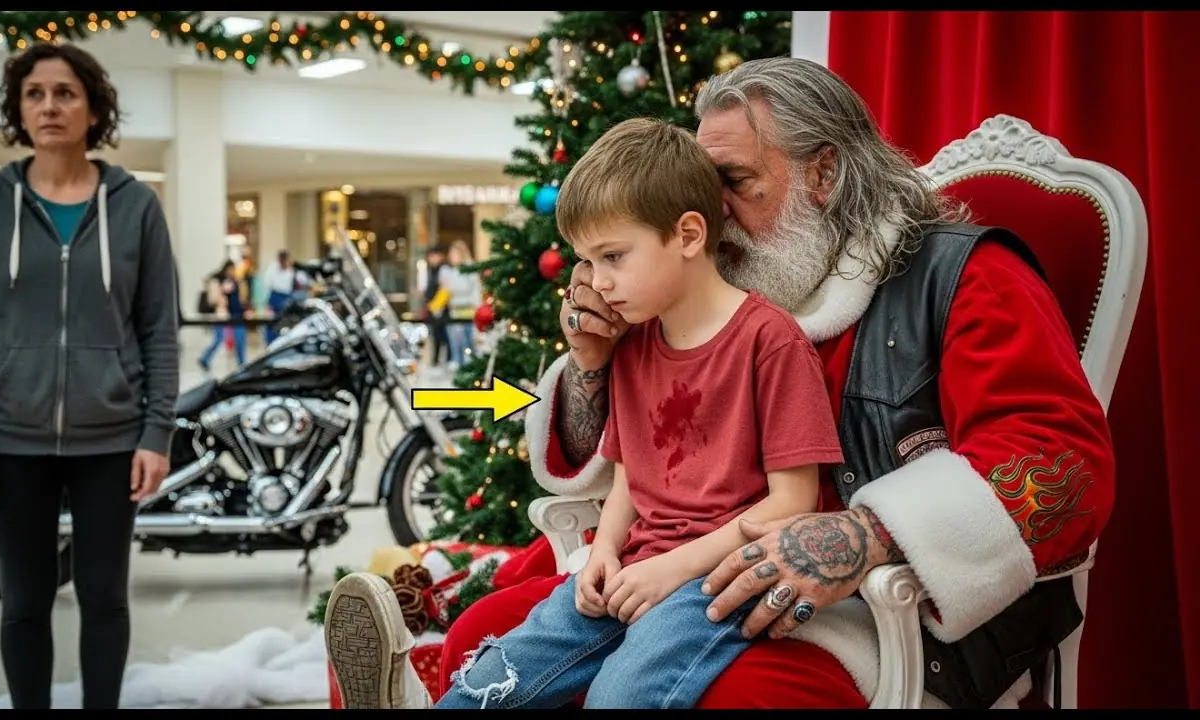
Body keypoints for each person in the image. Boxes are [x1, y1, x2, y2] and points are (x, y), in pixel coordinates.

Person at [323, 56, 1115, 710]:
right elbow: (642, 446)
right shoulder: (727, 285)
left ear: (825, 174)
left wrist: (869, 534)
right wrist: (595, 366)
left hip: (873, 610)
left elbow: (1063, 464)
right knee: (485, 635)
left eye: (734, 181)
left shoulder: (966, 276)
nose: (712, 212)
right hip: (695, 567)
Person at [324, 118, 844, 709]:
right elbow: (631, 474)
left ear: (689, 235)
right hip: (631, 566)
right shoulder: (636, 343)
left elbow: (794, 503)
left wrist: (669, 568)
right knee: (490, 680)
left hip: (723, 579)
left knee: (620, 697)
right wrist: (603, 552)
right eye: (585, 261)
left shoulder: (769, 342)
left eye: (613, 256)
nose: (595, 282)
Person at [0, 43, 180, 709]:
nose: (50, 106)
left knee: (105, 598)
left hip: (112, 439)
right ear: (19, 110)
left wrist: (155, 433)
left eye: (66, 93)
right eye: (35, 94)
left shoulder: (136, 207)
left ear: (93, 107)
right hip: (11, 438)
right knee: (23, 601)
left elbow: (160, 327)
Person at [437, 240, 483, 368]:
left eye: (454, 254)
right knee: (455, 340)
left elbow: (465, 287)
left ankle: (470, 365)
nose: (451, 258)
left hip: (468, 310)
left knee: (468, 342)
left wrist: (449, 286)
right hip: (456, 310)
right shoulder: (455, 270)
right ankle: (458, 361)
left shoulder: (468, 268)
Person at [198, 260, 247, 370]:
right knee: (219, 338)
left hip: (237, 314)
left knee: (240, 340)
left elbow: (241, 299)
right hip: (221, 314)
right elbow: (212, 300)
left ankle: (242, 363)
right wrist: (222, 293)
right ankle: (205, 358)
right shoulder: (217, 281)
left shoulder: (236, 282)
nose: (232, 272)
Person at [421, 245, 450, 367]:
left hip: (442, 307)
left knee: (444, 335)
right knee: (435, 334)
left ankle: (447, 359)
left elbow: (444, 289)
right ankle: (436, 359)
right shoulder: (428, 270)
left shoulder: (444, 270)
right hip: (432, 307)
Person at [262, 249, 297, 344]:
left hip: (287, 297)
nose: (288, 263)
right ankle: (271, 344)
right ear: (281, 260)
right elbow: (267, 284)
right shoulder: (273, 268)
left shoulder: (291, 270)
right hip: (275, 298)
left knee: (286, 323)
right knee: (272, 324)